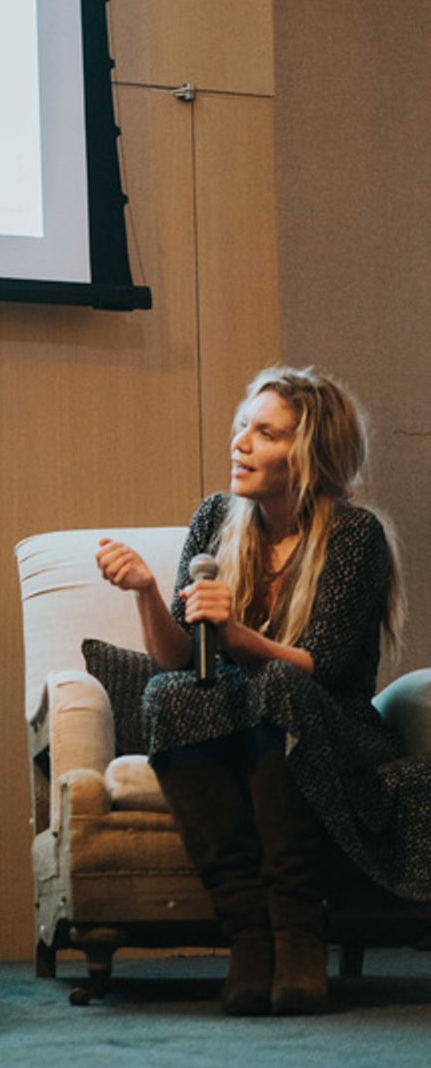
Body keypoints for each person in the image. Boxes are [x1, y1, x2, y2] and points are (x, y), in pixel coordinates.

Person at [96, 365, 413, 1017]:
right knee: (171, 696)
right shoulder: (215, 516)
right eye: (243, 425)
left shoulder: (355, 534)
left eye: (265, 433)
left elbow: (318, 666)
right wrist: (148, 592)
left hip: (330, 720)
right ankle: (246, 934)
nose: (240, 442)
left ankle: (297, 931)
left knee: (278, 685)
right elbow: (181, 657)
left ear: (307, 453)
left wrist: (237, 632)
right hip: (240, 710)